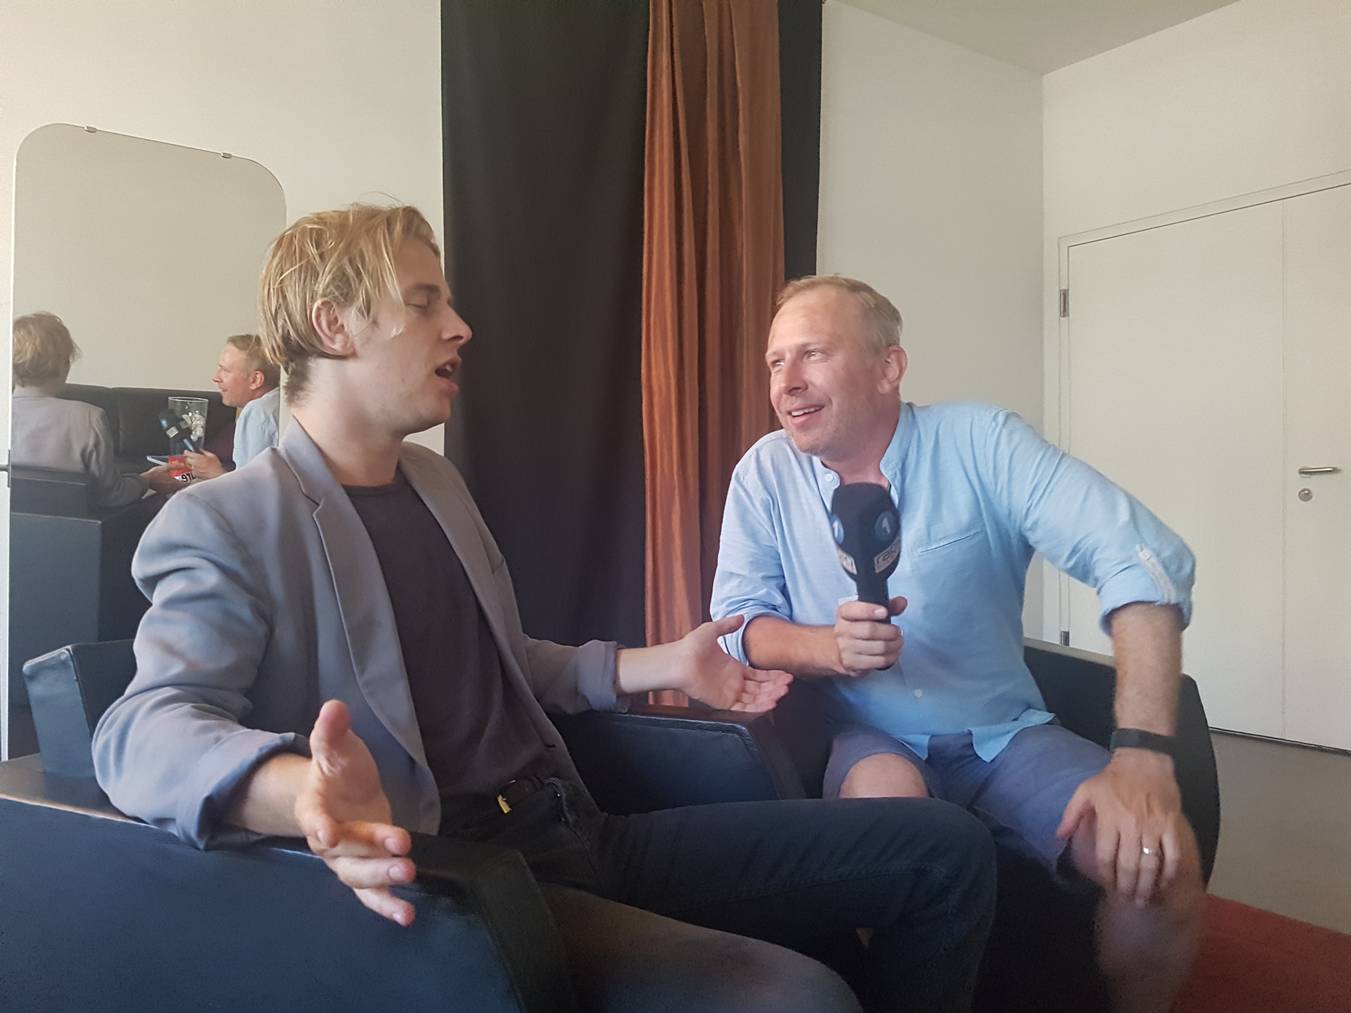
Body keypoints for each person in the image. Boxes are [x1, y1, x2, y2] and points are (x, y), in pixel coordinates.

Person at [91, 207, 996, 1013]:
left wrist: (666, 663)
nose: (459, 326)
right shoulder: (226, 519)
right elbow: (140, 730)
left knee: (944, 849)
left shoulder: (435, 483)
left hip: (575, 825)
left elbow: (507, 664)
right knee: (796, 996)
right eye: (423, 302)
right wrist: (302, 792)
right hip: (470, 883)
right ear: (334, 326)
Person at [711, 275, 1207, 1013]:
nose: (787, 382)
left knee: (1159, 863)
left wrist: (1141, 758)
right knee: (891, 829)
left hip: (1005, 731)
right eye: (776, 362)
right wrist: (828, 648)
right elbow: (739, 622)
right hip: (868, 734)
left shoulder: (981, 441)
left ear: (888, 366)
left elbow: (1142, 560)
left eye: (813, 353)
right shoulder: (764, 473)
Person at [11, 311, 178, 505]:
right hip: (75, 523)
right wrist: (146, 480)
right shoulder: (88, 417)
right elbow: (112, 495)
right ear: (63, 364)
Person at [185, 333, 281, 478]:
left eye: (226, 371)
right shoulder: (280, 403)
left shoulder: (258, 412)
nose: (216, 378)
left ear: (255, 380)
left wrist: (215, 473)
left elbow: (251, 487)